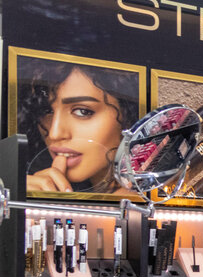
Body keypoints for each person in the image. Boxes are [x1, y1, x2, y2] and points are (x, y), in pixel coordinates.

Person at [18, 59, 139, 194]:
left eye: (83, 112)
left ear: (130, 118)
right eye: (47, 111)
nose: (54, 133)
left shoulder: (140, 201)